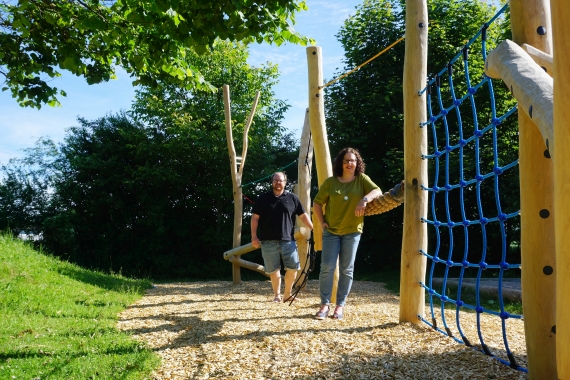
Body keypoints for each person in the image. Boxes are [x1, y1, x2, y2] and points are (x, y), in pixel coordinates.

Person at [313, 148, 382, 319]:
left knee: (346, 269)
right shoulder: (330, 182)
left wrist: (364, 199)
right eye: (346, 160)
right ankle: (324, 305)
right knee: (327, 268)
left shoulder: (361, 180)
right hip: (331, 231)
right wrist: (322, 223)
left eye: (353, 160)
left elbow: (378, 191)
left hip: (352, 231)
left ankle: (340, 306)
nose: (349, 163)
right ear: (340, 163)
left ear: (357, 163)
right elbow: (316, 203)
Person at [251, 172, 313, 303]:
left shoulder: (293, 198)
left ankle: (287, 295)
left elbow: (303, 215)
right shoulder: (262, 198)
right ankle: (277, 296)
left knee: (293, 268)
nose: (278, 182)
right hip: (267, 240)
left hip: (288, 240)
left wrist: (312, 227)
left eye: (281, 180)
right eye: (276, 180)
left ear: (285, 182)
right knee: (273, 270)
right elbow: (255, 218)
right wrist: (254, 236)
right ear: (272, 182)